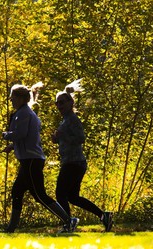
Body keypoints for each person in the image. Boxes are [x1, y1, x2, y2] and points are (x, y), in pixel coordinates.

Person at [2, 83, 78, 233]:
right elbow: (28, 137)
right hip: (29, 160)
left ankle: (69, 220)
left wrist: (6, 135)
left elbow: (21, 134)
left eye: (13, 97)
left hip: (31, 160)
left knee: (39, 195)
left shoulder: (23, 113)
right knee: (17, 191)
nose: (10, 99)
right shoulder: (26, 113)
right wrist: (12, 146)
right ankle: (10, 228)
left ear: (21, 98)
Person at [51, 79, 113, 232]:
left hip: (74, 162)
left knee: (60, 194)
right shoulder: (65, 120)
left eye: (62, 103)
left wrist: (62, 136)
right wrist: (57, 139)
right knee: (73, 197)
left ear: (71, 103)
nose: (59, 106)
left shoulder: (73, 119)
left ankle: (68, 223)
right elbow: (66, 138)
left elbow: (80, 139)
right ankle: (104, 216)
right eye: (57, 103)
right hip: (73, 162)